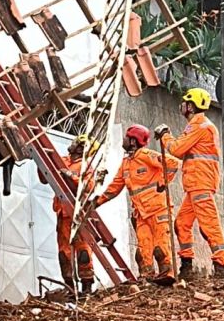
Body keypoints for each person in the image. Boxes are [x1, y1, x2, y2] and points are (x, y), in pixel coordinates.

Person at [155, 88, 224, 278]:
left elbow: (177, 149)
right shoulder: (197, 126)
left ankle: (221, 267)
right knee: (181, 224)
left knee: (209, 225)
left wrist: (165, 135)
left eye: (185, 102)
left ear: (191, 106)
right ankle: (187, 267)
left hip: (201, 182)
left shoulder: (200, 126)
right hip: (195, 184)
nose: (182, 106)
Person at [94, 124, 179, 285]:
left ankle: (167, 276)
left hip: (158, 210)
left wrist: (164, 181)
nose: (124, 140)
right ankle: (146, 278)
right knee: (142, 252)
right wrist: (97, 202)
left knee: (161, 249)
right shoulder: (126, 163)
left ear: (133, 141)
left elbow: (173, 163)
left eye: (127, 137)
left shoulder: (145, 155)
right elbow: (114, 187)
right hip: (141, 213)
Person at [52, 135, 98, 294]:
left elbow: (88, 185)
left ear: (81, 147)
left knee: (83, 252)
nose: (71, 144)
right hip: (62, 215)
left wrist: (71, 176)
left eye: (75, 143)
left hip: (78, 214)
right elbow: (46, 178)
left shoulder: (86, 166)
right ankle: (70, 288)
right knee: (64, 254)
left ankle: (86, 287)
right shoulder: (62, 160)